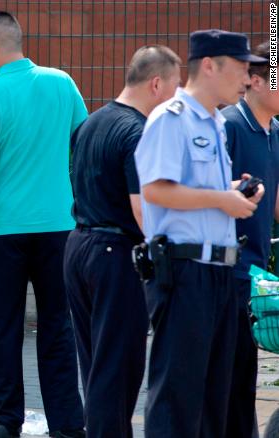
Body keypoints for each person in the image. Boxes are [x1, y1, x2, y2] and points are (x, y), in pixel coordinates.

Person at [134, 29, 266, 438]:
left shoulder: (214, 123)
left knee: (215, 394)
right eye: (242, 68)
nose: (247, 78)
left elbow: (198, 191)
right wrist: (219, 199)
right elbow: (155, 189)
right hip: (185, 269)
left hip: (220, 273)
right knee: (178, 394)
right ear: (210, 65)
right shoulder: (170, 118)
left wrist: (233, 194)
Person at [0, 11, 86, 438]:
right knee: (58, 324)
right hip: (59, 226)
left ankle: (5, 421)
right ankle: (68, 424)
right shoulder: (62, 82)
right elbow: (82, 145)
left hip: (3, 231)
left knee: (2, 327)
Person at [64, 45, 181, 438]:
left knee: (96, 362)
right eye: (175, 86)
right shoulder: (138, 132)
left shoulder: (92, 122)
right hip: (115, 255)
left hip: (79, 246)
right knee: (118, 365)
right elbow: (143, 209)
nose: (177, 97)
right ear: (156, 83)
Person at [222, 41, 279, 438]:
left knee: (245, 372)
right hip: (224, 269)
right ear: (254, 81)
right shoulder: (228, 125)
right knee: (227, 373)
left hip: (256, 269)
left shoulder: (276, 131)